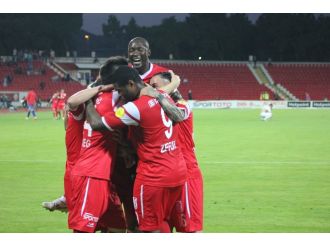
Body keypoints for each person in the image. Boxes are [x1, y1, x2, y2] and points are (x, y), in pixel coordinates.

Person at [85, 66, 187, 232]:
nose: (121, 95)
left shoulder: (135, 108)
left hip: (153, 177)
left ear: (131, 84)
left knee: (148, 229)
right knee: (162, 222)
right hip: (176, 173)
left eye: (121, 90)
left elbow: (97, 124)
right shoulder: (163, 95)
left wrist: (88, 101)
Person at [149, 72, 204, 232]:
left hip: (186, 174)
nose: (151, 90)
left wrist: (157, 95)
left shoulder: (182, 105)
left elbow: (177, 115)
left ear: (170, 86)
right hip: (166, 175)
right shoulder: (154, 110)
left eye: (155, 86)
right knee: (161, 226)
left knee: (189, 229)